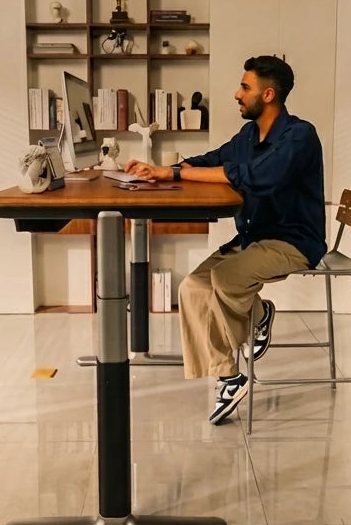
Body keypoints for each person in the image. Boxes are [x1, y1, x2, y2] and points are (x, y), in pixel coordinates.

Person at [124, 56, 326, 424]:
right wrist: (168, 172)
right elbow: (217, 159)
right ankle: (230, 374)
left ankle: (257, 318)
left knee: (224, 279)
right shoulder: (249, 136)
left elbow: (257, 177)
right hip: (253, 236)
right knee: (192, 287)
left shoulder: (300, 135)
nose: (237, 94)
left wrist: (173, 172)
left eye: (244, 87)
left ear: (267, 94)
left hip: (294, 240)